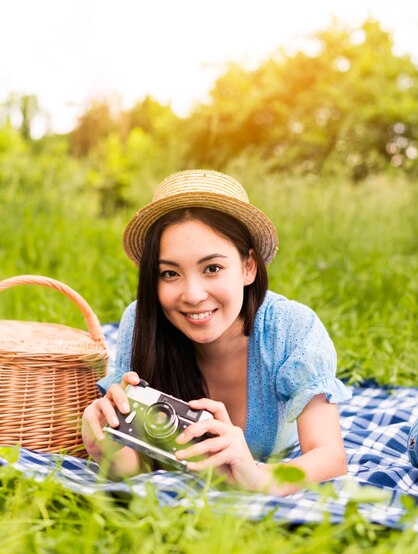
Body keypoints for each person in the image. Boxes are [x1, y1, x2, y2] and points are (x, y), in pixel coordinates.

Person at [82, 169, 352, 494]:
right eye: (169, 273)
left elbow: (330, 458)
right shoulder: (141, 321)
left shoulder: (291, 328)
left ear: (248, 267)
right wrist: (104, 447)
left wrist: (255, 477)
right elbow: (138, 467)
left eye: (212, 268)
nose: (193, 294)